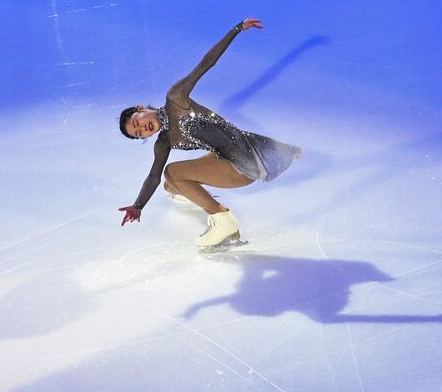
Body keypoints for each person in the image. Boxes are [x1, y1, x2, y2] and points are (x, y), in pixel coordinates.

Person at [117, 18, 303, 249]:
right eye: (138, 134)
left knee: (172, 172)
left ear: (141, 108)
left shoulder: (176, 98)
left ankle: (222, 219)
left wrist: (237, 29)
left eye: (138, 122)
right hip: (227, 156)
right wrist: (138, 206)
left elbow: (207, 63)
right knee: (168, 184)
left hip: (243, 163)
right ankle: (189, 193)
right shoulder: (163, 142)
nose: (142, 129)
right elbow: (153, 177)